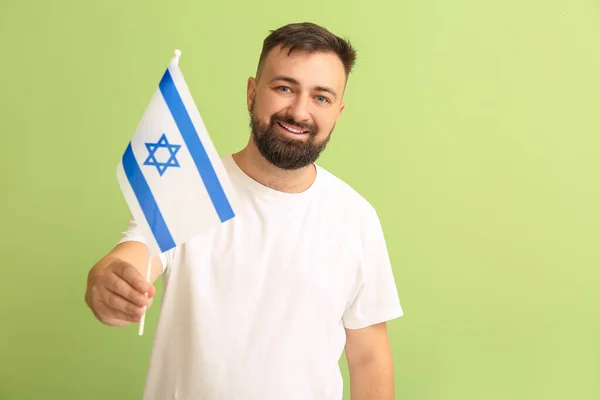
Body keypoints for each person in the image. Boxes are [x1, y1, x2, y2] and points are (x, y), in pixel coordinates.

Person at [85, 21, 403, 400]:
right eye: (284, 88)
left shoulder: (356, 218)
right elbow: (133, 257)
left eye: (321, 97)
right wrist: (107, 282)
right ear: (252, 92)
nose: (299, 111)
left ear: (338, 111)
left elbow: (368, 358)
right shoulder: (190, 189)